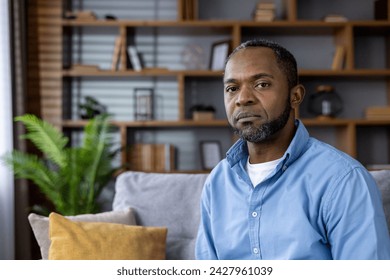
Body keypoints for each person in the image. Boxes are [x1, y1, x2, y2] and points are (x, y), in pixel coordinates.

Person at [195, 38, 390, 260]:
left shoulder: (343, 180)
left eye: (261, 84)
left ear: (295, 96)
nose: (243, 99)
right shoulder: (218, 182)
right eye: (232, 88)